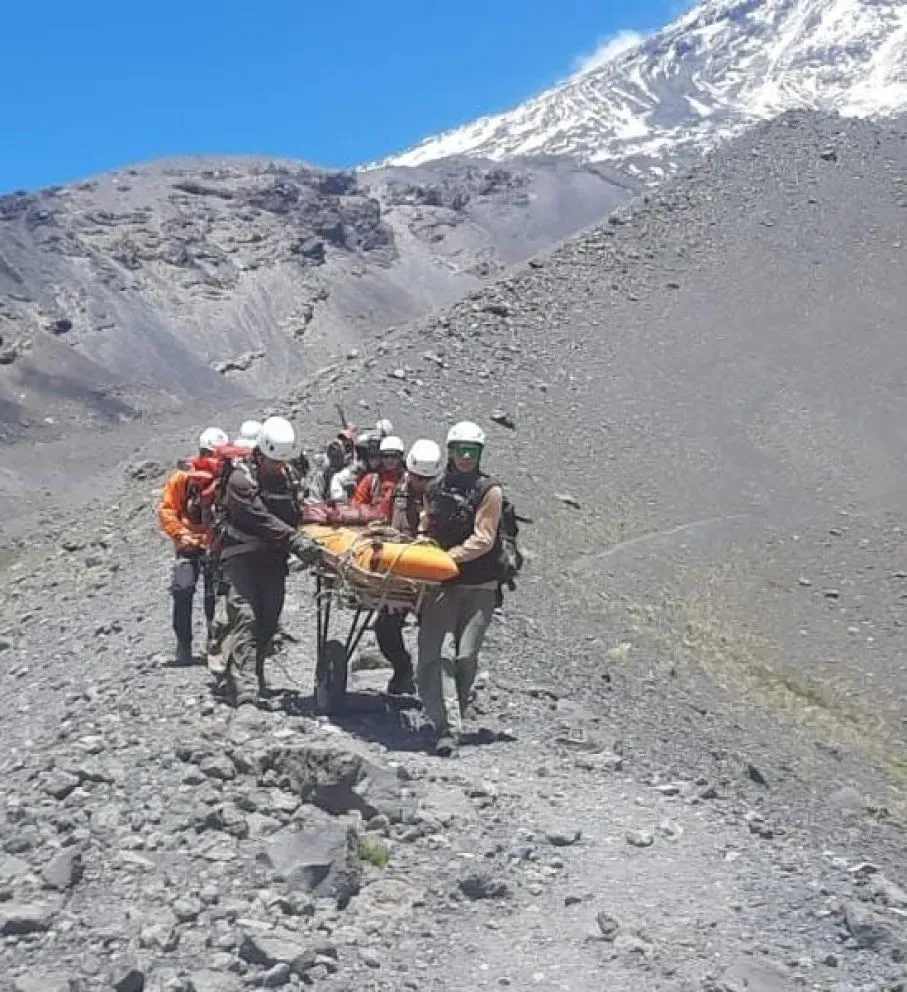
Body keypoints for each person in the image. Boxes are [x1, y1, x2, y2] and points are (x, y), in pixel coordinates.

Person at [218, 416, 319, 706]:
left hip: (273, 560)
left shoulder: (288, 478)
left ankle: (254, 674)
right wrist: (295, 540)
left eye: (282, 462)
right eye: (273, 461)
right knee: (246, 617)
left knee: (269, 621)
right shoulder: (240, 480)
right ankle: (245, 686)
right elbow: (259, 518)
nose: (278, 467)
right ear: (261, 452)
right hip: (242, 557)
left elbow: (297, 511)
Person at [417, 421, 503, 756]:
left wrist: (447, 558)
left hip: (480, 584)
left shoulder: (489, 491)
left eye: (473, 451)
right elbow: (426, 524)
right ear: (450, 451)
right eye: (460, 450)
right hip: (442, 584)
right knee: (434, 654)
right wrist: (425, 551)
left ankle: (456, 713)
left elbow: (484, 538)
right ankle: (446, 728)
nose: (466, 457)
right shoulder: (435, 488)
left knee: (466, 655)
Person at [373, 439, 444, 696]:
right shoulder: (397, 491)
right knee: (385, 630)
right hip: (400, 572)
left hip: (431, 577)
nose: (422, 484)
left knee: (434, 635)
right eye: (417, 477)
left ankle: (435, 688)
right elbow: (380, 516)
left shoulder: (444, 498)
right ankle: (403, 670)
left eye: (427, 479)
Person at [157, 427, 228, 665]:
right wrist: (181, 533)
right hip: (187, 542)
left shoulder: (224, 481)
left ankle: (214, 642)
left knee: (213, 594)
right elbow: (168, 510)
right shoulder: (182, 478)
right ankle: (183, 643)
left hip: (212, 543)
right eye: (208, 454)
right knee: (182, 588)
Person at [350, 435, 406, 520]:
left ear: (400, 457)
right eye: (386, 456)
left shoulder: (407, 481)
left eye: (394, 456)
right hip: (373, 524)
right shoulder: (371, 479)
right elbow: (356, 504)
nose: (389, 460)